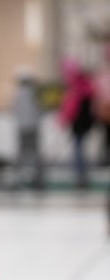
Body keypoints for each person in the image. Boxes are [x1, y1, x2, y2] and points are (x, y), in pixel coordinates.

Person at [57, 58, 95, 188]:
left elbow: (71, 107)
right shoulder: (84, 85)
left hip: (79, 123)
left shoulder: (77, 87)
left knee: (78, 149)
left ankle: (81, 176)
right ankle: (81, 175)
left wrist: (63, 119)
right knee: (80, 148)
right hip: (83, 122)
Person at [12, 67, 44, 188]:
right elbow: (39, 110)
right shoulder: (34, 93)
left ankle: (18, 177)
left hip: (22, 128)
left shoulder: (17, 94)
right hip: (33, 127)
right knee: (35, 153)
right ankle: (37, 177)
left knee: (21, 153)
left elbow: (15, 111)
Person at [93, 43, 110, 165]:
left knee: (105, 136)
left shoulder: (102, 74)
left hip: (104, 109)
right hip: (104, 110)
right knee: (105, 136)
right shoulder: (102, 74)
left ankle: (104, 157)